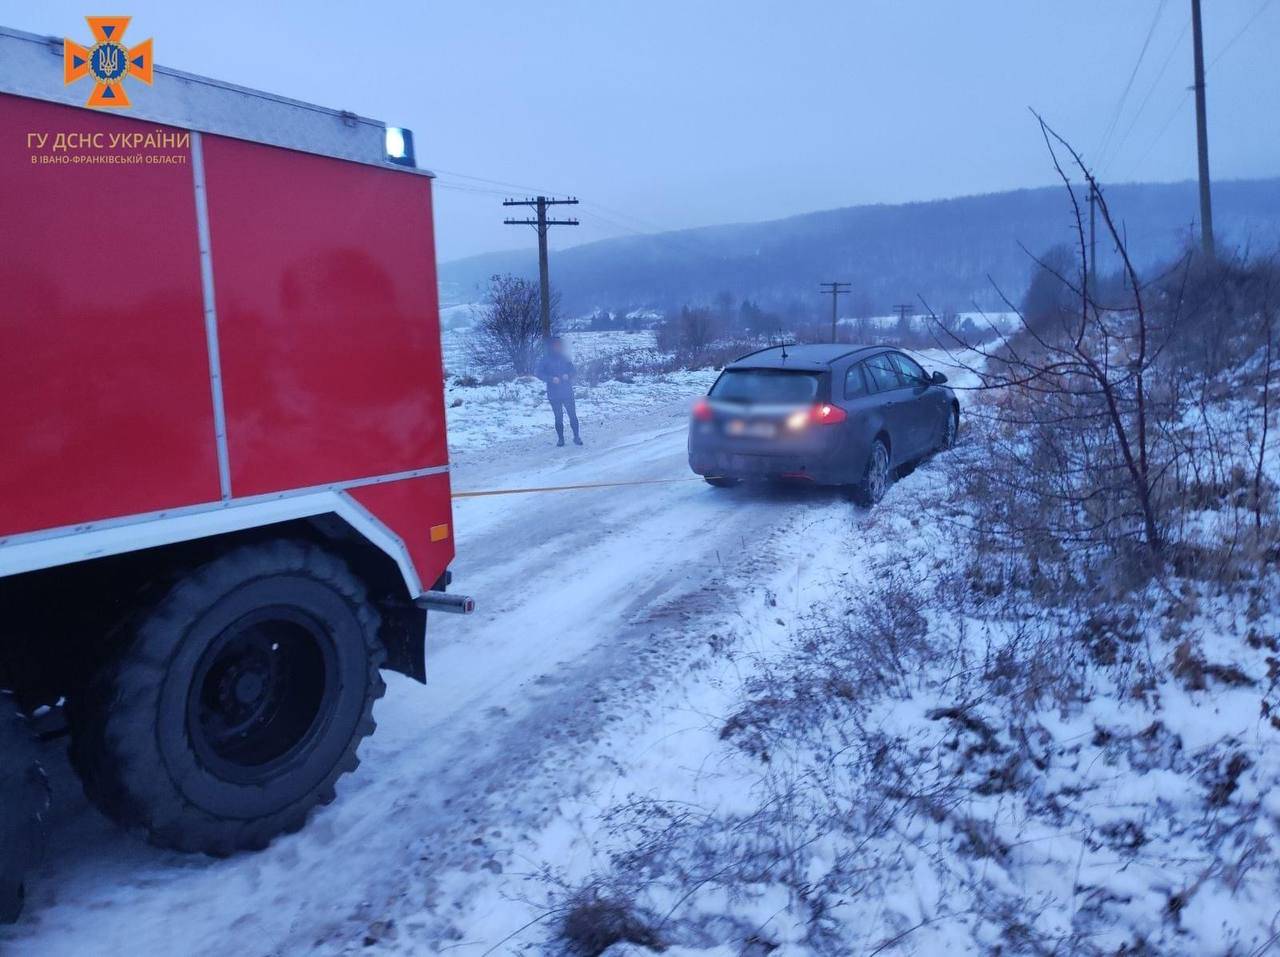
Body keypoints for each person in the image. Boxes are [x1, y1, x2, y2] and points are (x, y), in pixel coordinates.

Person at [534, 336, 583, 446]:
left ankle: (576, 436)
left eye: (559, 345)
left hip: (567, 391)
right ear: (551, 347)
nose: (558, 347)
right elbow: (539, 373)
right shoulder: (545, 359)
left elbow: (573, 371)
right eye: (555, 345)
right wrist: (551, 379)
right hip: (553, 393)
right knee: (558, 417)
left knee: (572, 415)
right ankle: (561, 439)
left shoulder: (565, 358)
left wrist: (568, 375)